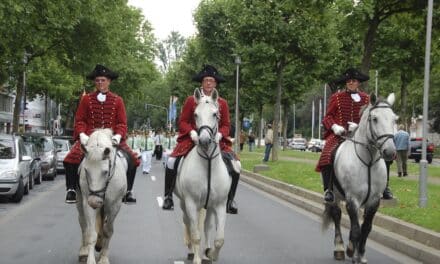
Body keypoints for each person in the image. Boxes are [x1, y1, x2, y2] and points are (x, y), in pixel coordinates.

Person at [161, 64, 241, 214]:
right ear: (201, 83)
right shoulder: (192, 100)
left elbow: (226, 125)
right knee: (171, 162)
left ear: (216, 83)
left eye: (211, 80)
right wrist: (192, 132)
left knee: (236, 165)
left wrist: (220, 134)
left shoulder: (222, 103)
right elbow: (183, 121)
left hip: (216, 142)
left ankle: (230, 200)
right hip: (192, 140)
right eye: (206, 80)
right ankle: (168, 196)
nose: (209, 83)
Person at [63, 64, 140, 204]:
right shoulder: (86, 99)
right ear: (94, 82)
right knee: (70, 159)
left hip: (111, 138)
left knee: (132, 159)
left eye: (103, 80)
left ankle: (128, 191)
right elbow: (80, 120)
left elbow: (122, 123)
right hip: (90, 137)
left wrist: (117, 135)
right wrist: (81, 134)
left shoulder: (118, 100)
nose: (100, 83)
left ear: (109, 81)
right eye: (97, 80)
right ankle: (71, 189)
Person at [316, 67, 394, 202]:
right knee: (327, 154)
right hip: (340, 135)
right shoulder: (337, 97)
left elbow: (372, 118)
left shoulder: (367, 99)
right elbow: (327, 117)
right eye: (348, 81)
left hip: (361, 134)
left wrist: (358, 127)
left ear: (358, 83)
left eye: (354, 81)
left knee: (385, 152)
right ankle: (328, 189)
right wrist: (335, 127)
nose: (351, 83)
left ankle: (385, 187)